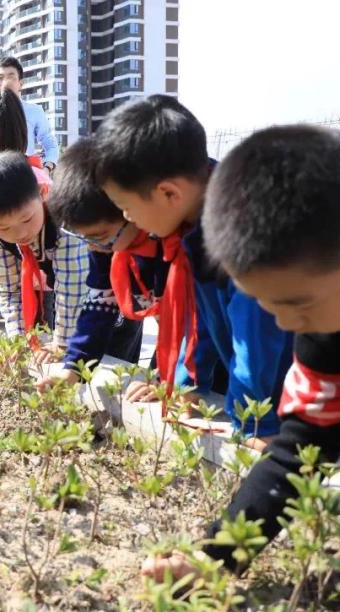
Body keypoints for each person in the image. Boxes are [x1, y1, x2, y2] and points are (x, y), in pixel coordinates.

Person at [143, 125, 340, 582]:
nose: (286, 326)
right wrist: (215, 558)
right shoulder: (322, 295)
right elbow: (301, 447)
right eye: (268, 305)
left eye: (295, 306)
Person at [94, 95, 294, 439]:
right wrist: (181, 387)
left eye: (127, 207)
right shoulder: (192, 228)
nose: (128, 219)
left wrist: (253, 422)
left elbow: (256, 335)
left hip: (299, 403)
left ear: (169, 193)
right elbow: (198, 324)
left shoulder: (239, 227)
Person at [36, 138, 170, 389]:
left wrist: (170, 380)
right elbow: (98, 307)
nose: (93, 247)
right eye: (82, 237)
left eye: (98, 237)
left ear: (130, 210)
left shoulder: (170, 245)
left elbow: (190, 325)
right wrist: (74, 369)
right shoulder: (107, 244)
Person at [0, 152, 87, 361]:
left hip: (111, 293)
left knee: (107, 354)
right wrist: (18, 340)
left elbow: (72, 288)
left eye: (26, 219)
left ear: (43, 193)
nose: (19, 233)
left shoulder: (64, 222)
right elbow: (9, 289)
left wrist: (61, 343)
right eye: (4, 227)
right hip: (74, 291)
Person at [0, 56, 59, 171]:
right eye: (0, 78)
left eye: (11, 77)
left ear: (21, 83)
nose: (5, 82)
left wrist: (47, 168)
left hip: (24, 175)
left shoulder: (34, 111)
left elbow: (50, 144)